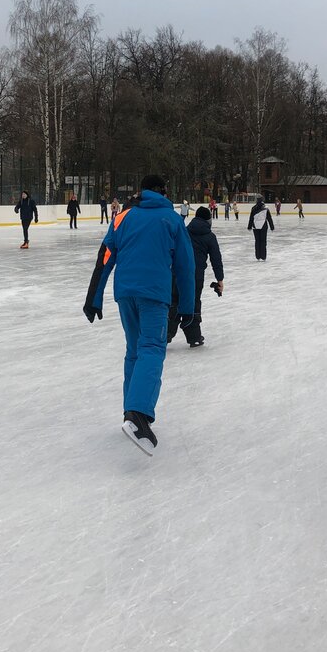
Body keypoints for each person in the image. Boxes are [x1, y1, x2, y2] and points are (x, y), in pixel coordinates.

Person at [83, 174, 195, 456]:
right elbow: (185, 267)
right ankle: (137, 415)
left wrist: (93, 298)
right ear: (163, 191)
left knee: (134, 351)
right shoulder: (172, 220)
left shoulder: (123, 217)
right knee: (152, 349)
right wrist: (187, 307)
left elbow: (105, 256)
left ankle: (129, 413)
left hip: (125, 294)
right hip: (154, 295)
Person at [168, 206, 224, 347]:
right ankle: (194, 337)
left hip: (178, 272)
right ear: (208, 220)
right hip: (195, 276)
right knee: (193, 302)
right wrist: (220, 279)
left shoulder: (184, 231)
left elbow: (171, 250)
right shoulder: (210, 237)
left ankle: (165, 334)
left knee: (174, 301)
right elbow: (216, 259)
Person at [248, 195, 274, 260]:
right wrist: (272, 227)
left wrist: (249, 226)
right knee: (263, 241)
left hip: (255, 226)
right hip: (263, 226)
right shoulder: (266, 208)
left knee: (257, 241)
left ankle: (258, 256)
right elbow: (269, 218)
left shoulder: (253, 208)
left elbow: (251, 218)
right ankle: (263, 256)